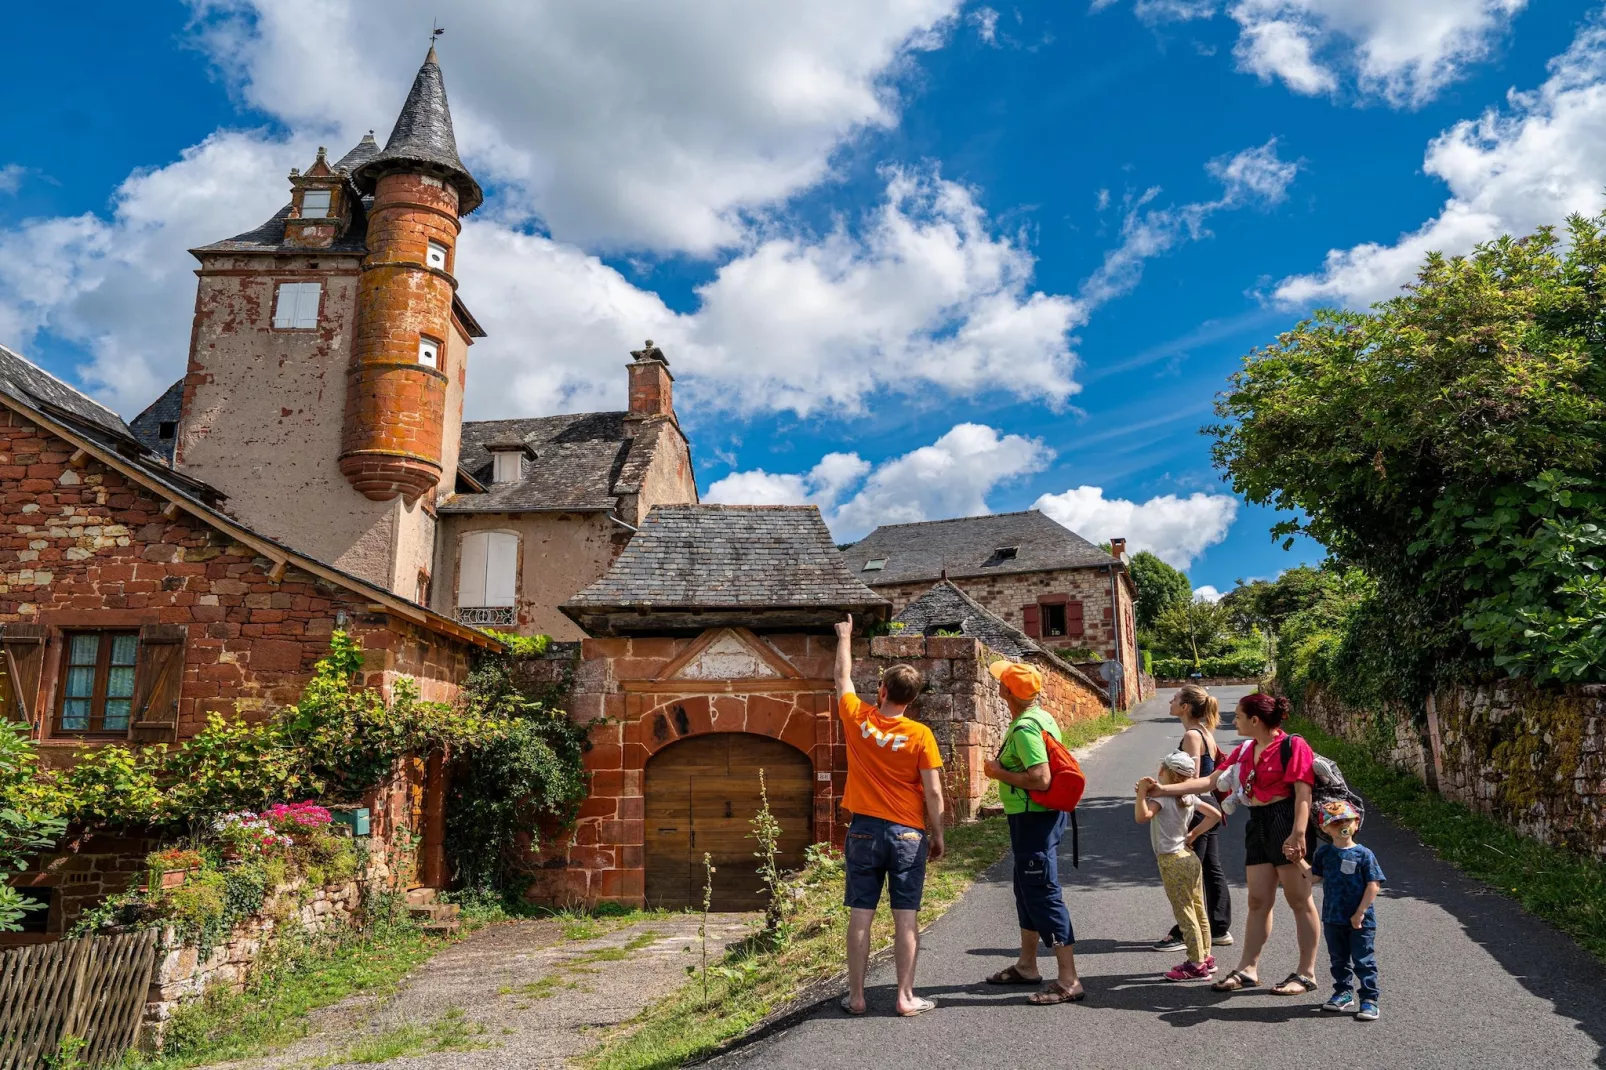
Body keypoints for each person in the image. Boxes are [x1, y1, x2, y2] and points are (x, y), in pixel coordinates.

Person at [1147, 692, 1322, 996]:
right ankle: (1247, 969)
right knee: (1257, 901)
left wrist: (1298, 833)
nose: (1234, 720)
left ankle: (1306, 973)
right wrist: (1164, 788)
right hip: (1258, 823)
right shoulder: (1245, 749)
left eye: (1239, 716)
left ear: (1255, 720)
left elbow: (1303, 794)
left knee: (1299, 900)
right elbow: (1211, 782)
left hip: (1286, 821)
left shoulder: (1294, 746)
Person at [832, 615, 945, 1018]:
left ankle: (858, 997)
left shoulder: (858, 718)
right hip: (908, 835)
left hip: (863, 831)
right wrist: (938, 835)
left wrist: (844, 636)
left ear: (881, 691)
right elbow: (932, 790)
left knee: (861, 915)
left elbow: (842, 677)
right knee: (906, 918)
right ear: (911, 699)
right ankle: (904, 997)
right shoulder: (920, 735)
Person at [981, 659, 1084, 1005]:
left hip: (1033, 819)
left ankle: (1069, 980)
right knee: (1026, 890)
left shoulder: (1025, 728)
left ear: (1007, 691)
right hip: (1034, 818)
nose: (998, 687)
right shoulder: (1042, 717)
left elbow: (1041, 778)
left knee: (1041, 891)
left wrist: (997, 773)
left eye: (1002, 683)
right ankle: (1027, 966)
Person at [1150, 683, 1233, 952]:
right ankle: (1218, 927)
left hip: (1196, 806)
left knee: (1188, 871)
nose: (1170, 702)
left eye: (1174, 699)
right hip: (1205, 804)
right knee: (1209, 866)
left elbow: (1192, 777)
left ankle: (1184, 931)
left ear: (1185, 707)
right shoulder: (1203, 732)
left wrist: (1162, 792)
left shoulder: (1193, 736)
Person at [1135, 751, 1223, 981]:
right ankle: (1206, 956)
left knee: (1184, 911)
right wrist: (1193, 834)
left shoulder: (1162, 798)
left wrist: (1142, 793)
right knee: (1198, 907)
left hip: (1171, 860)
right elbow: (1215, 815)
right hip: (1189, 857)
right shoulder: (1188, 797)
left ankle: (1196, 964)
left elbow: (1142, 817)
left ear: (1165, 772)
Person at [1306, 800, 1385, 1021]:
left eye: (1347, 821)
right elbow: (1314, 877)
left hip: (1360, 919)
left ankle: (1369, 999)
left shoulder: (1364, 854)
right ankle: (1343, 992)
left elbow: (1373, 885)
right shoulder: (1324, 854)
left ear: (1356, 824)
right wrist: (1297, 862)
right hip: (1333, 917)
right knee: (1338, 958)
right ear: (1325, 828)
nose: (1343, 826)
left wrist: (1360, 912)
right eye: (1336, 822)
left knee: (1363, 960)